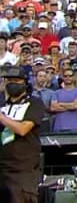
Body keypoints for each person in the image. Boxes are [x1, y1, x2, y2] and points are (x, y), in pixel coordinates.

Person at [0, 65, 45, 203]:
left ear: (25, 83)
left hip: (22, 170)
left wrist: (1, 117)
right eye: (9, 81)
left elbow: (22, 129)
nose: (12, 84)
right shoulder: (2, 104)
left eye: (16, 80)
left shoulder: (34, 103)